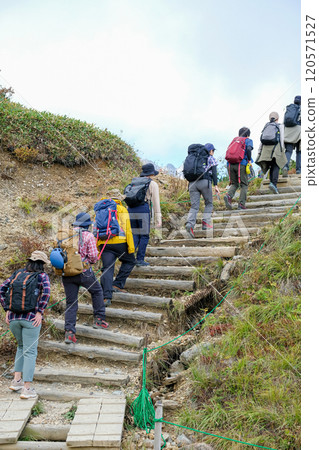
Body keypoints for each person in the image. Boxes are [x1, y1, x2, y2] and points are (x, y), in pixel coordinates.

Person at [0, 251, 51, 399]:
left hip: (14, 318)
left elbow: (1, 289)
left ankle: (16, 381)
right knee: (30, 352)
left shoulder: (17, 274)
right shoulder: (42, 276)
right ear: (42, 264)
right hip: (31, 319)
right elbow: (46, 293)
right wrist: (40, 312)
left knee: (21, 347)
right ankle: (27, 388)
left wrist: (7, 309)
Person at [62, 212, 108, 344]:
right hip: (84, 272)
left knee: (71, 302)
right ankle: (99, 319)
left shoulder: (66, 235)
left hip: (67, 273)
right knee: (97, 291)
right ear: (88, 225)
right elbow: (93, 256)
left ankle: (69, 332)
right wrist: (90, 262)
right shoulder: (88, 236)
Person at [98, 199, 136, 303]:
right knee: (130, 261)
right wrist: (131, 247)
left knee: (107, 268)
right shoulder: (122, 209)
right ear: (118, 201)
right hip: (120, 242)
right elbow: (127, 228)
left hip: (103, 242)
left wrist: (98, 247)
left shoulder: (100, 209)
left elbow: (96, 229)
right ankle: (117, 284)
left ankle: (106, 297)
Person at [127, 163, 162, 266]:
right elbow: (156, 202)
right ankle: (140, 260)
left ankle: (130, 259)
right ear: (151, 174)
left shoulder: (134, 182)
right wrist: (158, 218)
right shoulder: (152, 184)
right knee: (144, 236)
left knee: (135, 234)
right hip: (143, 209)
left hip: (131, 209)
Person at [185, 143, 220, 238]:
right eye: (213, 151)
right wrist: (216, 186)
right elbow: (214, 172)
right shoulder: (210, 158)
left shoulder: (194, 158)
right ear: (211, 151)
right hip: (204, 182)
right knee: (209, 203)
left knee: (194, 206)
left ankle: (190, 224)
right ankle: (206, 222)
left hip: (192, 183)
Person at [255, 112, 287, 194]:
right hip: (275, 148)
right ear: (277, 118)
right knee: (276, 165)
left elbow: (261, 139)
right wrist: (282, 149)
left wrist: (259, 151)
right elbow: (282, 138)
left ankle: (271, 183)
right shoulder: (280, 126)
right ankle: (274, 184)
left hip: (265, 149)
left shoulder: (266, 125)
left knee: (270, 165)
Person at [224, 127, 253, 210]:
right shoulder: (248, 140)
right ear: (248, 135)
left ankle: (228, 195)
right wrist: (249, 160)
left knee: (234, 183)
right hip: (241, 164)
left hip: (230, 164)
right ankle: (241, 204)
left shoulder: (234, 140)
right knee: (244, 184)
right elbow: (248, 149)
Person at [282, 95, 301, 176]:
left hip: (288, 132)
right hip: (299, 131)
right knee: (299, 151)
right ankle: (299, 170)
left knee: (288, 151)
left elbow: (284, 122)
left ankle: (285, 167)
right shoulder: (302, 109)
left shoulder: (289, 109)